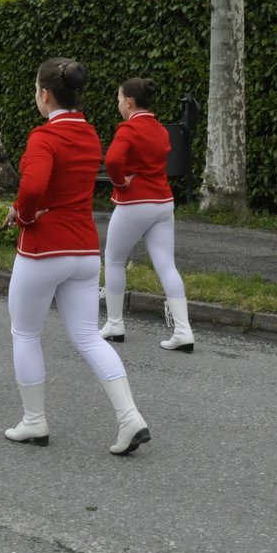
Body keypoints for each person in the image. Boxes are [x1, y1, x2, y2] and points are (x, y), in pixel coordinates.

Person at [4, 58, 152, 455]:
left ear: (44, 94)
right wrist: (27, 204)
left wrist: (22, 211)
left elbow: (34, 187)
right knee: (87, 335)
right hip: (85, 250)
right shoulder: (89, 134)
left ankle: (35, 421)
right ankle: (129, 416)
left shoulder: (43, 137)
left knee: (25, 332)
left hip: (43, 249)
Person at [99, 77, 193, 353]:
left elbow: (113, 160)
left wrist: (120, 182)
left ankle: (115, 323)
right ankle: (184, 330)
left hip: (134, 202)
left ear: (128, 102)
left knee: (114, 259)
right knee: (166, 265)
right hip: (163, 202)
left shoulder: (128, 130)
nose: (118, 105)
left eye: (118, 100)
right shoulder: (160, 130)